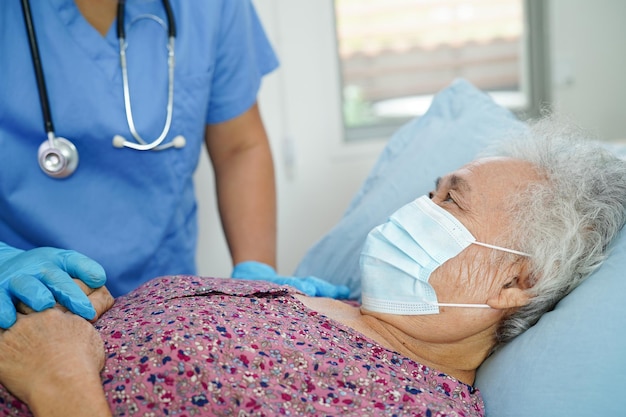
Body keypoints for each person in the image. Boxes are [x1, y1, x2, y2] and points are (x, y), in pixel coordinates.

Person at [1, 118, 625, 416]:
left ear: (516, 282)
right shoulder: (320, 301)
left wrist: (58, 379)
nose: (418, 209)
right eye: (430, 192)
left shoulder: (411, 407)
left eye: (450, 201)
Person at [0, 0, 348, 329]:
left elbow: (240, 147)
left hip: (167, 306)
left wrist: (257, 275)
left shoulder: (211, 9)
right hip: (25, 302)